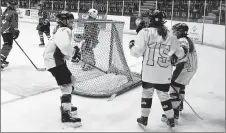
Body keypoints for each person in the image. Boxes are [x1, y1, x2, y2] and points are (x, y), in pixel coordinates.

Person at [129, 10, 187, 129]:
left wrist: (131, 45)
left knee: (147, 94)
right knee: (164, 96)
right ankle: (171, 120)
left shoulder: (145, 32)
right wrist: (184, 49)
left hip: (148, 73)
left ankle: (144, 119)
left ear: (150, 20)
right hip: (164, 74)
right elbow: (181, 54)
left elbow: (136, 52)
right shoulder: (171, 35)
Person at [43, 11, 82, 127]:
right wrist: (72, 53)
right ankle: (66, 115)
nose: (71, 22)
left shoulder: (60, 30)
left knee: (71, 80)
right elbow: (64, 46)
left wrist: (72, 52)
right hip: (54, 62)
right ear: (63, 21)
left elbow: (60, 48)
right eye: (69, 20)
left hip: (56, 61)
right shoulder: (64, 30)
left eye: (72, 20)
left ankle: (66, 105)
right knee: (67, 85)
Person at [169, 23, 198, 123]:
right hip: (191, 68)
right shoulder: (186, 39)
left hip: (185, 69)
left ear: (180, 32)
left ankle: (173, 115)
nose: (174, 32)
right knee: (181, 86)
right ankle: (180, 105)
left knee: (174, 89)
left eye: (176, 31)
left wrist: (172, 79)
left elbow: (180, 63)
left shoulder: (182, 41)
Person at [1, 0, 20, 70]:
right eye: (15, 5)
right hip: (8, 31)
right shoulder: (13, 13)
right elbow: (14, 24)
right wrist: (16, 32)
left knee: (6, 45)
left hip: (3, 31)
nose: (16, 6)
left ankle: (2, 59)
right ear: (13, 6)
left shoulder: (6, 11)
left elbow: (1, 20)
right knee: (7, 46)